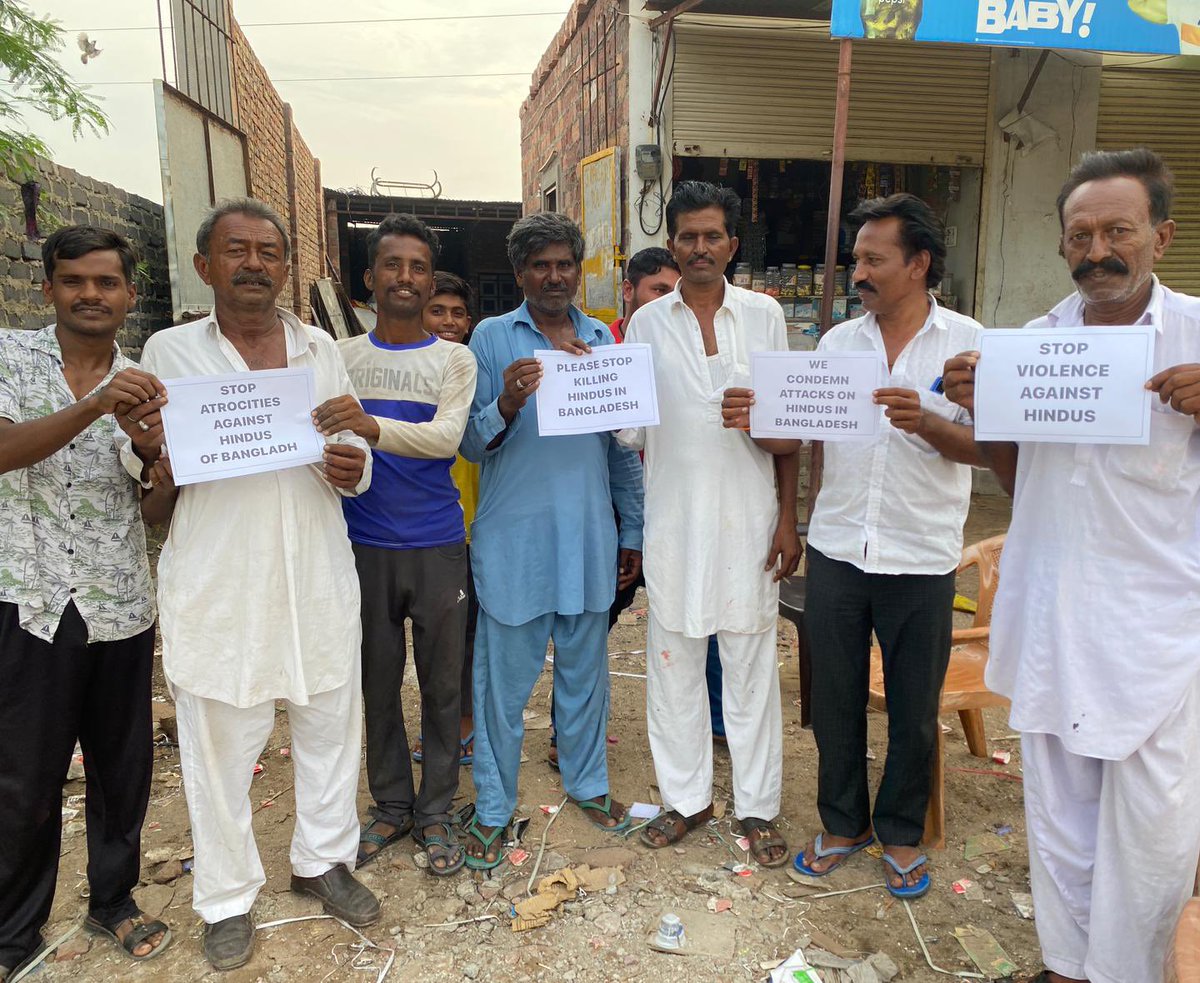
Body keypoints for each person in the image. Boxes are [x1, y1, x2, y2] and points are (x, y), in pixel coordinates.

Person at [943, 148, 1200, 983]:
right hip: (1052, 612)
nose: (1098, 251)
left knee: (1155, 827)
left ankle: (1125, 970)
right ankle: (1067, 963)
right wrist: (986, 409)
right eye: (1080, 234)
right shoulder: (1034, 346)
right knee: (1058, 808)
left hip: (1162, 629)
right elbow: (1022, 482)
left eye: (1117, 230)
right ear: (1062, 245)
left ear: (1160, 234)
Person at [121, 198, 376, 972]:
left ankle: (322, 859)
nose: (255, 263)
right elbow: (149, 482)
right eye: (237, 250)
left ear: (286, 266)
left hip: (314, 569)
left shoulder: (320, 348)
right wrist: (151, 452)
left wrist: (353, 463)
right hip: (220, 577)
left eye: (269, 251)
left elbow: (349, 461)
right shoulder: (167, 351)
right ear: (206, 265)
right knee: (220, 744)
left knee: (331, 719)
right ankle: (227, 897)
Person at [793, 194, 985, 899]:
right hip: (841, 547)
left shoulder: (969, 343)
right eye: (857, 258)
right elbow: (805, 435)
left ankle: (901, 829)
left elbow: (995, 451)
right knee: (836, 695)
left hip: (922, 553)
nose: (859, 271)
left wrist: (927, 424)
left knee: (912, 704)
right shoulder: (839, 344)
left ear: (919, 263)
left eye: (874, 258)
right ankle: (843, 822)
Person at [0, 227, 172, 979]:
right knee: (23, 772)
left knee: (121, 764)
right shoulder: (9, 357)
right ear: (49, 290)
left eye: (107, 282)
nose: (92, 294)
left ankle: (113, 899)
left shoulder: (148, 380)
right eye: (75, 281)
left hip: (120, 602)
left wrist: (150, 448)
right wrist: (99, 407)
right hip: (28, 599)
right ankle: (13, 929)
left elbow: (158, 509)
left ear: (129, 294)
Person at [619, 181, 801, 866]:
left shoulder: (765, 317)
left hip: (750, 519)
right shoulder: (645, 325)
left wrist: (789, 519)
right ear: (672, 242)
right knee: (673, 665)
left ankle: (757, 807)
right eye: (687, 236)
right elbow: (632, 431)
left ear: (731, 243)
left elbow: (789, 433)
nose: (700, 247)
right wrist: (589, 392)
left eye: (713, 236)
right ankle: (687, 799)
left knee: (752, 666)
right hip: (674, 518)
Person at [459, 212, 644, 870]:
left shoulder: (602, 338)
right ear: (520, 274)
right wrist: (505, 402)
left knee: (585, 673)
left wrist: (635, 530)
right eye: (541, 264)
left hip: (589, 536)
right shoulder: (491, 338)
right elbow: (470, 444)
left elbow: (623, 452)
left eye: (565, 263)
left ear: (578, 268)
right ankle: (491, 806)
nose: (555, 274)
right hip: (515, 540)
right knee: (501, 687)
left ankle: (588, 784)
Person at [312, 216, 477, 876]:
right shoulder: (341, 359)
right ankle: (389, 805)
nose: (405, 277)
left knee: (441, 687)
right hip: (361, 544)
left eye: (417, 267)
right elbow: (328, 444)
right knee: (375, 685)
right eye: (392, 265)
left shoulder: (453, 359)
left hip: (437, 541)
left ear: (428, 278)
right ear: (369, 278)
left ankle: (435, 810)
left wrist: (369, 423)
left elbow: (445, 440)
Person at [411, 272, 479, 767]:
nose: (449, 321)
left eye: (458, 313)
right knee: (428, 641)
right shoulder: (408, 370)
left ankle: (465, 725)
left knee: (465, 635)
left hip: (473, 521)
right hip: (421, 524)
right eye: (438, 311)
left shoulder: (473, 368)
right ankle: (431, 727)